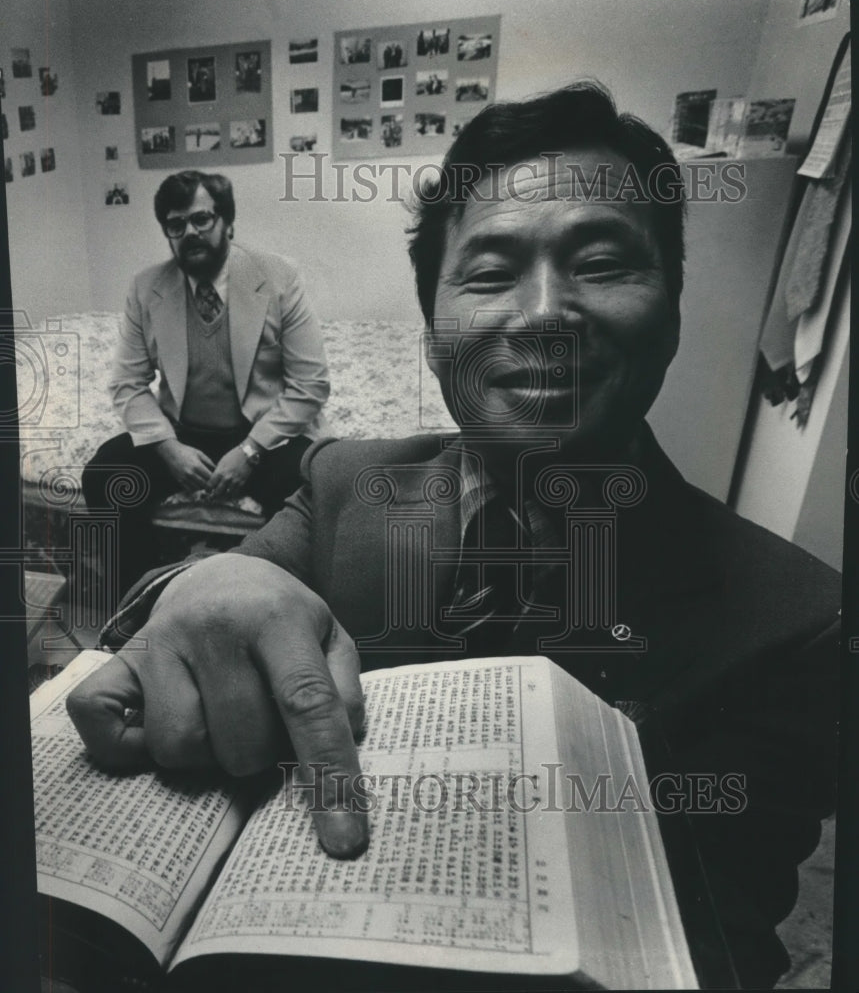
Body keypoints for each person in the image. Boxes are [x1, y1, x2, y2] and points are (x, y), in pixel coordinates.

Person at [67, 84, 839, 988]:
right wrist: (195, 586)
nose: (546, 314)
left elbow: (722, 941)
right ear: (433, 322)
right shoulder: (346, 481)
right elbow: (241, 583)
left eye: (601, 262)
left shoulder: (794, 625)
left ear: (673, 305)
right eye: (489, 273)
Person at [82, 170, 329, 592]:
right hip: (181, 435)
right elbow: (127, 382)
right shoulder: (147, 288)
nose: (190, 233)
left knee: (316, 484)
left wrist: (250, 450)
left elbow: (311, 384)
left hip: (263, 437)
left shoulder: (279, 277)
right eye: (176, 226)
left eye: (201, 220)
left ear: (227, 222)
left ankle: (277, 603)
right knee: (105, 474)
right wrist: (167, 447)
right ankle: (139, 600)